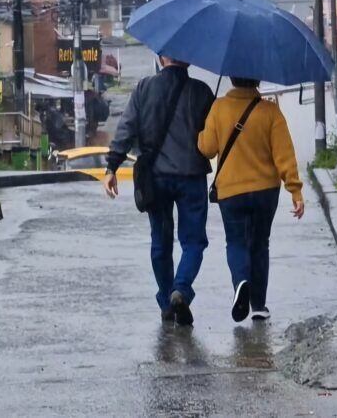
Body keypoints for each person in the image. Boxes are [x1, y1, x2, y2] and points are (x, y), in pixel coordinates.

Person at [104, 55, 215, 326]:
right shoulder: (201, 92)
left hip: (156, 177)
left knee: (160, 242)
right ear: (189, 59)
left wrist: (112, 167)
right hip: (192, 176)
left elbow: (126, 128)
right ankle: (181, 289)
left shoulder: (144, 88)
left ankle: (167, 300)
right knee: (193, 241)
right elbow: (214, 138)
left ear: (161, 57)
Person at [198, 77, 304, 323]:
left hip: (231, 192)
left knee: (235, 242)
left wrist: (203, 131)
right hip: (266, 191)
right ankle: (258, 305)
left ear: (232, 78)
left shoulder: (219, 108)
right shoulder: (270, 111)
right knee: (259, 244)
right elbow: (284, 154)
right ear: (256, 79)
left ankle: (241, 282)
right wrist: (295, 191)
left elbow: (207, 149)